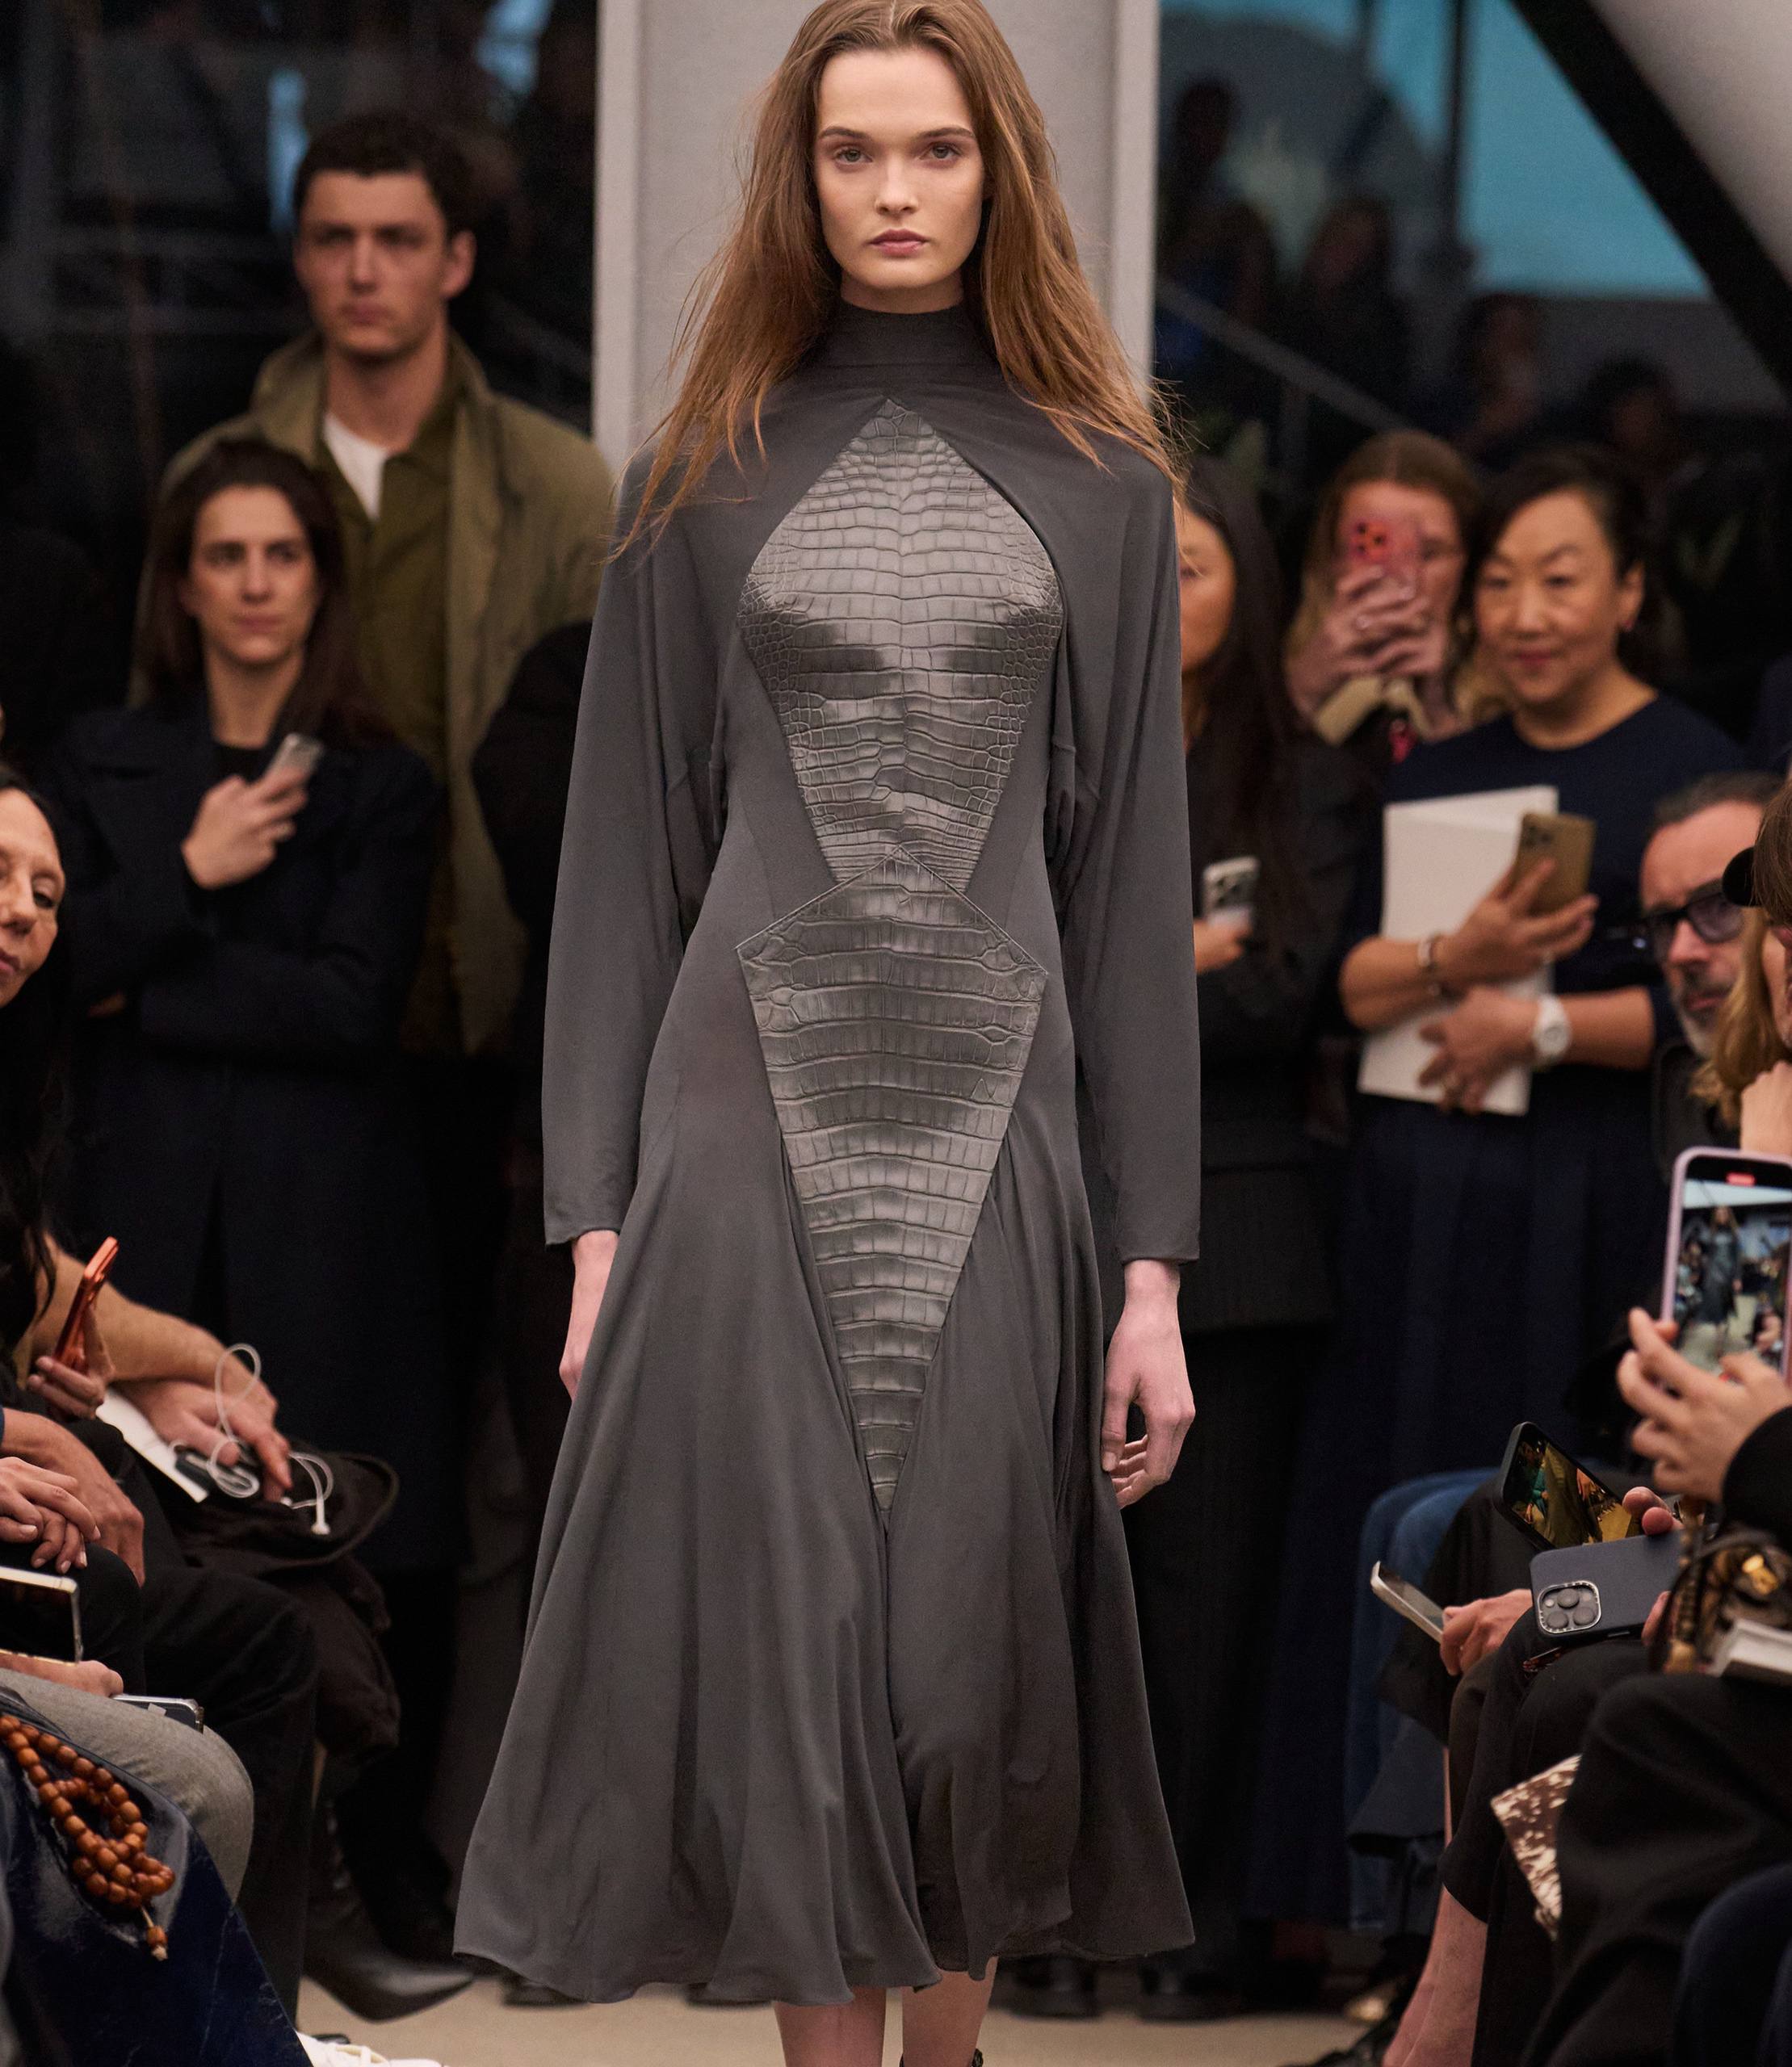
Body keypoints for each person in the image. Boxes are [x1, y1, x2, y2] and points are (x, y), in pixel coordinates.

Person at [457, 8, 1203, 2067]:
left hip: (1005, 1129)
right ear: (797, 178)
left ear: (998, 172)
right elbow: (624, 868)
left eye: (935, 150)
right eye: (852, 151)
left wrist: (1153, 1264)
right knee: (794, 1670)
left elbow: (1129, 889)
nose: (892, 192)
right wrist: (594, 1220)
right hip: (737, 1133)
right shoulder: (691, 478)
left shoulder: (1107, 490)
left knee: (967, 1672)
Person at [154, 110, 615, 1954]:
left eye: (397, 237)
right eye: (334, 236)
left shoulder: (558, 485)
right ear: (302, 258)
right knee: (271, 1426)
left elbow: (594, 764)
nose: (364, 269)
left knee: (458, 1461)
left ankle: (429, 1835)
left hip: (479, 1016)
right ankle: (293, 1833)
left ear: (458, 262)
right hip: (264, 1028)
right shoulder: (226, 466)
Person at [1251, 447, 1745, 1934]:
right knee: (1389, 1514)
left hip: (1583, 1189)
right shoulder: (1434, 766)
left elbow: (1725, 1004)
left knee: (1518, 1493)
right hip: (1416, 1197)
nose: (1525, 614)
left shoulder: (1694, 773)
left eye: (1561, 579)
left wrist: (1532, 1026)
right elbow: (1333, 986)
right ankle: (1365, 1910)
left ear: (1629, 593)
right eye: (1501, 582)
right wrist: (1451, 966)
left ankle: (1488, 1928)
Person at [41, 442, 471, 2018]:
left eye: (281, 553)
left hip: (321, 1211)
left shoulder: (381, 778)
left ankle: (336, 1887)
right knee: (147, 1533)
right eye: (223, 554)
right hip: (138, 1202)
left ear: (320, 577)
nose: (253, 583)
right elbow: (45, 959)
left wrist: (139, 974)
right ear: (180, 581)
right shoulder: (102, 759)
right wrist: (187, 872)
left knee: (327, 1533)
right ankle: (145, 1892)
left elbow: (349, 1007)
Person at [1009, 456, 1371, 2024]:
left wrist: (1126, 981)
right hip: (1043, 1221)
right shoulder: (1045, 754)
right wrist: (1175, 960)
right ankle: (1034, 1915)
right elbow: (1009, 977)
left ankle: (1183, 1925)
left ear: (1249, 588)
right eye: (1137, 560)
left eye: (1196, 565)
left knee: (1203, 1610)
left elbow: (1280, 990)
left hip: (1238, 1236)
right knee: (1037, 1595)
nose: (1161, 590)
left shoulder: (1300, 775)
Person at [1283, 431, 1491, 785]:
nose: (1401, 577)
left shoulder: (1519, 689)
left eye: (1429, 553)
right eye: (1371, 546)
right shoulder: (1262, 667)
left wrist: (1441, 708)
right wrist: (1300, 692)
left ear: (1470, 564)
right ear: (1331, 558)